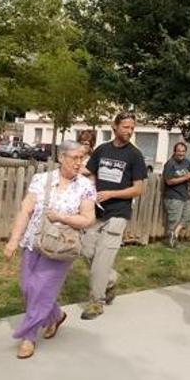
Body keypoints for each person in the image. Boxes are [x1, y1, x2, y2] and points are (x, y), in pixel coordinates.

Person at [3, 140, 96, 359]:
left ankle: (29, 336)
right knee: (27, 287)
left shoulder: (85, 186)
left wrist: (62, 217)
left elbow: (88, 219)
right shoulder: (41, 180)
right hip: (33, 242)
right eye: (74, 158)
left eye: (81, 158)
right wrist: (13, 241)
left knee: (40, 289)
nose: (78, 163)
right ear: (62, 158)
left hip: (61, 247)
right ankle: (55, 315)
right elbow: (25, 211)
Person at [80, 112, 147, 320]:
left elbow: (139, 189)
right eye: (126, 127)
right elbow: (91, 173)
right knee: (86, 249)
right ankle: (110, 279)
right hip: (97, 211)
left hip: (119, 213)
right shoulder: (102, 150)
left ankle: (96, 302)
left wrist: (112, 193)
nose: (129, 131)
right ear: (115, 127)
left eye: (132, 128)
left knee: (102, 256)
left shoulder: (135, 155)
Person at [163, 142, 190, 248]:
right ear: (174, 151)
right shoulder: (170, 164)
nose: (181, 153)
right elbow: (169, 181)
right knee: (174, 220)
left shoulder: (187, 162)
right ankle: (172, 242)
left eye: (183, 151)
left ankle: (174, 236)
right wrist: (186, 177)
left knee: (188, 217)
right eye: (179, 151)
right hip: (173, 196)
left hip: (185, 195)